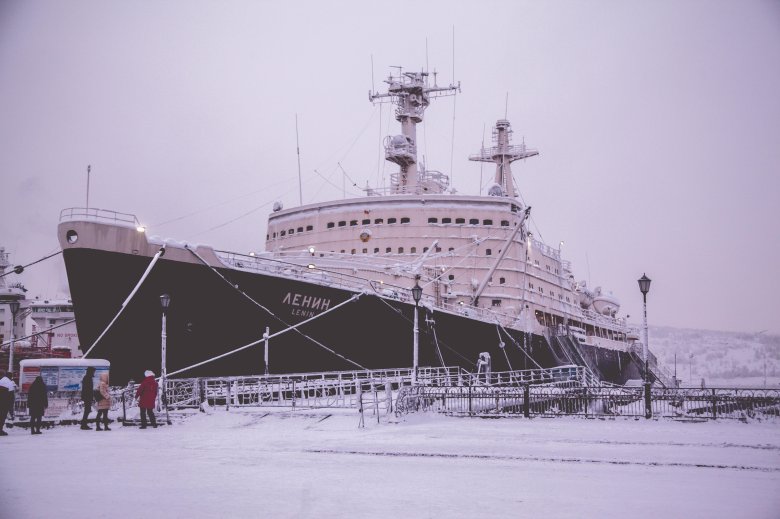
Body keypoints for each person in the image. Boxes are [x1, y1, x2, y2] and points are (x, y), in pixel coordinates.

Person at [0, 369, 13, 436]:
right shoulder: (6, 382)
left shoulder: (3, 381)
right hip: (4, 404)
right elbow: (10, 395)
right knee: (2, 417)